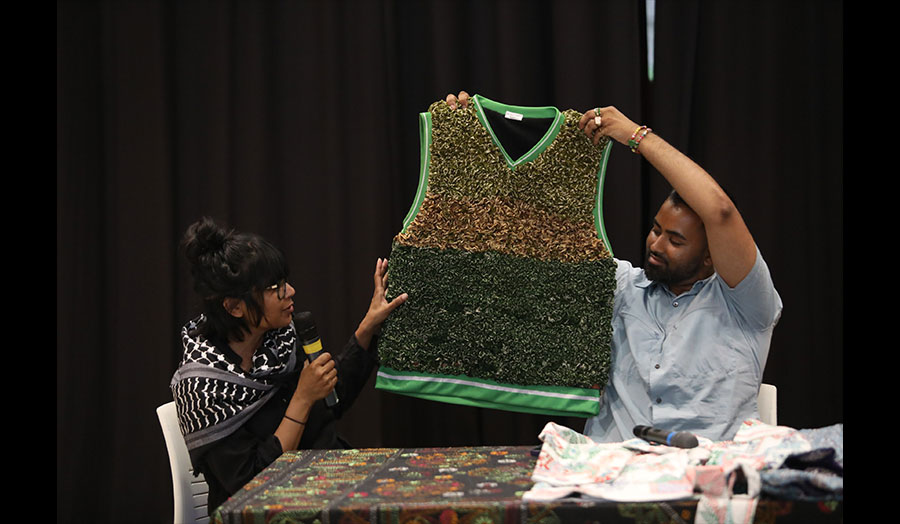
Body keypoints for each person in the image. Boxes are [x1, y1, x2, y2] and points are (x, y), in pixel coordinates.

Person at [445, 91, 782, 442]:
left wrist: (637, 137)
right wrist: (474, 134)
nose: (656, 244)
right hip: (612, 477)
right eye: (655, 229)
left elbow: (720, 211)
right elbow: (528, 239)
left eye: (675, 241)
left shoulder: (747, 305)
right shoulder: (620, 287)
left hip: (702, 477)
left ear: (711, 255)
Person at [171, 217, 407, 514]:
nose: (291, 292)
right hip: (263, 511)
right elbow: (250, 482)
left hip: (320, 486)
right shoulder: (201, 386)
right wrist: (302, 398)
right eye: (275, 288)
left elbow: (331, 402)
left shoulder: (278, 341)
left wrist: (368, 328)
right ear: (234, 307)